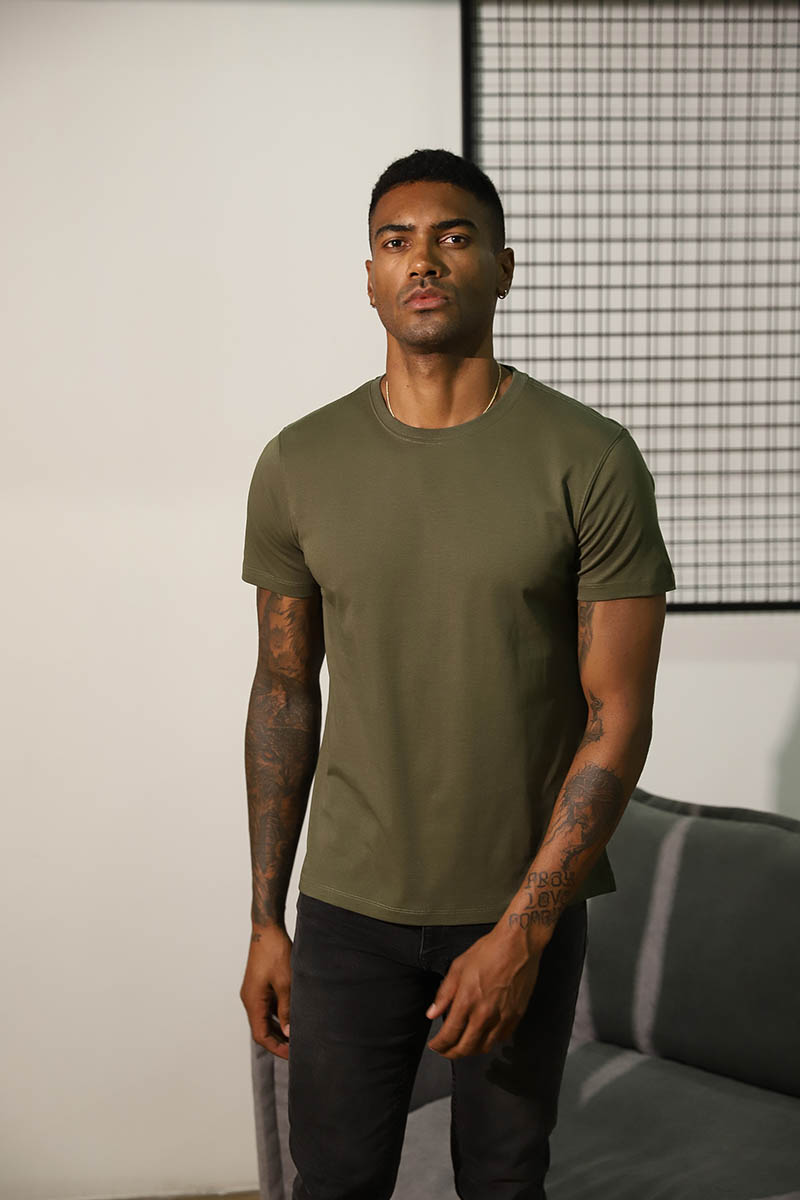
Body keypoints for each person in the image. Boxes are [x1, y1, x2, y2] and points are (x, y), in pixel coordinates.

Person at [239, 147, 676, 1200]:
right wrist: (264, 917)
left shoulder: (590, 458)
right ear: (370, 277)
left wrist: (522, 932)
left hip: (514, 901)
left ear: (502, 267)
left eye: (452, 236)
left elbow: (617, 715)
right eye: (396, 242)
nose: (422, 260)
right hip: (348, 908)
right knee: (331, 1181)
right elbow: (284, 694)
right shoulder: (299, 462)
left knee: (503, 1180)